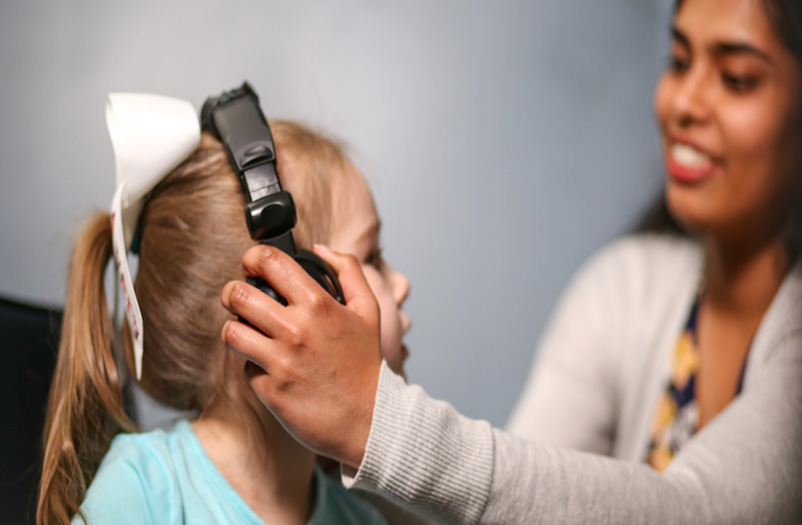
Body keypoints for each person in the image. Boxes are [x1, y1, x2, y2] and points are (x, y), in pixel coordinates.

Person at [220, 0, 802, 522]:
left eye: (737, 78)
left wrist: (376, 422)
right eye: (678, 61)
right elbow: (515, 507)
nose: (683, 102)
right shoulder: (625, 287)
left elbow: (704, 512)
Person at [36, 89, 412, 524]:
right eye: (373, 256)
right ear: (273, 301)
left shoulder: (365, 520)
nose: (401, 284)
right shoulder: (142, 493)